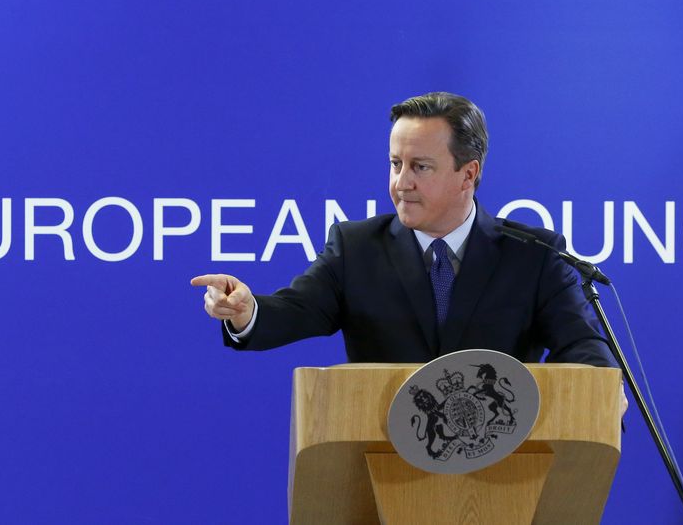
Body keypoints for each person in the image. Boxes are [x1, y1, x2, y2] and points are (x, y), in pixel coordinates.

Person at [191, 92, 621, 372]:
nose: (401, 182)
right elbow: (294, 311)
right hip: (382, 472)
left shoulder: (534, 256)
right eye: (396, 163)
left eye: (420, 167)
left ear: (467, 175)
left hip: (502, 481)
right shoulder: (355, 249)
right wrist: (247, 312)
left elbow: (587, 352)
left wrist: (602, 394)